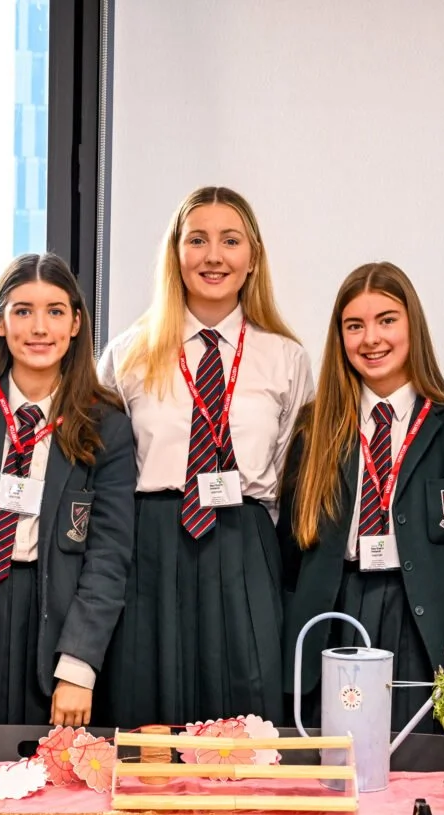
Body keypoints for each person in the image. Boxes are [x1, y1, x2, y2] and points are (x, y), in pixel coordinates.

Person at [99, 185, 313, 726]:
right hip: (150, 545)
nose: (213, 256)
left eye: (230, 241)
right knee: (148, 706)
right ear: (176, 254)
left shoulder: (285, 358)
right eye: (197, 240)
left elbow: (295, 470)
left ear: (252, 258)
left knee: (248, 714)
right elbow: (102, 470)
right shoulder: (128, 355)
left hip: (248, 543)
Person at [280, 263, 444, 731]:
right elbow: (289, 552)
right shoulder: (313, 426)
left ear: (412, 326)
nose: (370, 339)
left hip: (423, 622)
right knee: (337, 761)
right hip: (337, 610)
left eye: (386, 320)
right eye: (354, 326)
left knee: (418, 758)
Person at [0, 253, 134, 726]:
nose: (40, 327)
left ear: (76, 323)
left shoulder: (107, 427)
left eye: (55, 311)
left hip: (54, 623)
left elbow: (109, 557)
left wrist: (79, 664)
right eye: (23, 311)